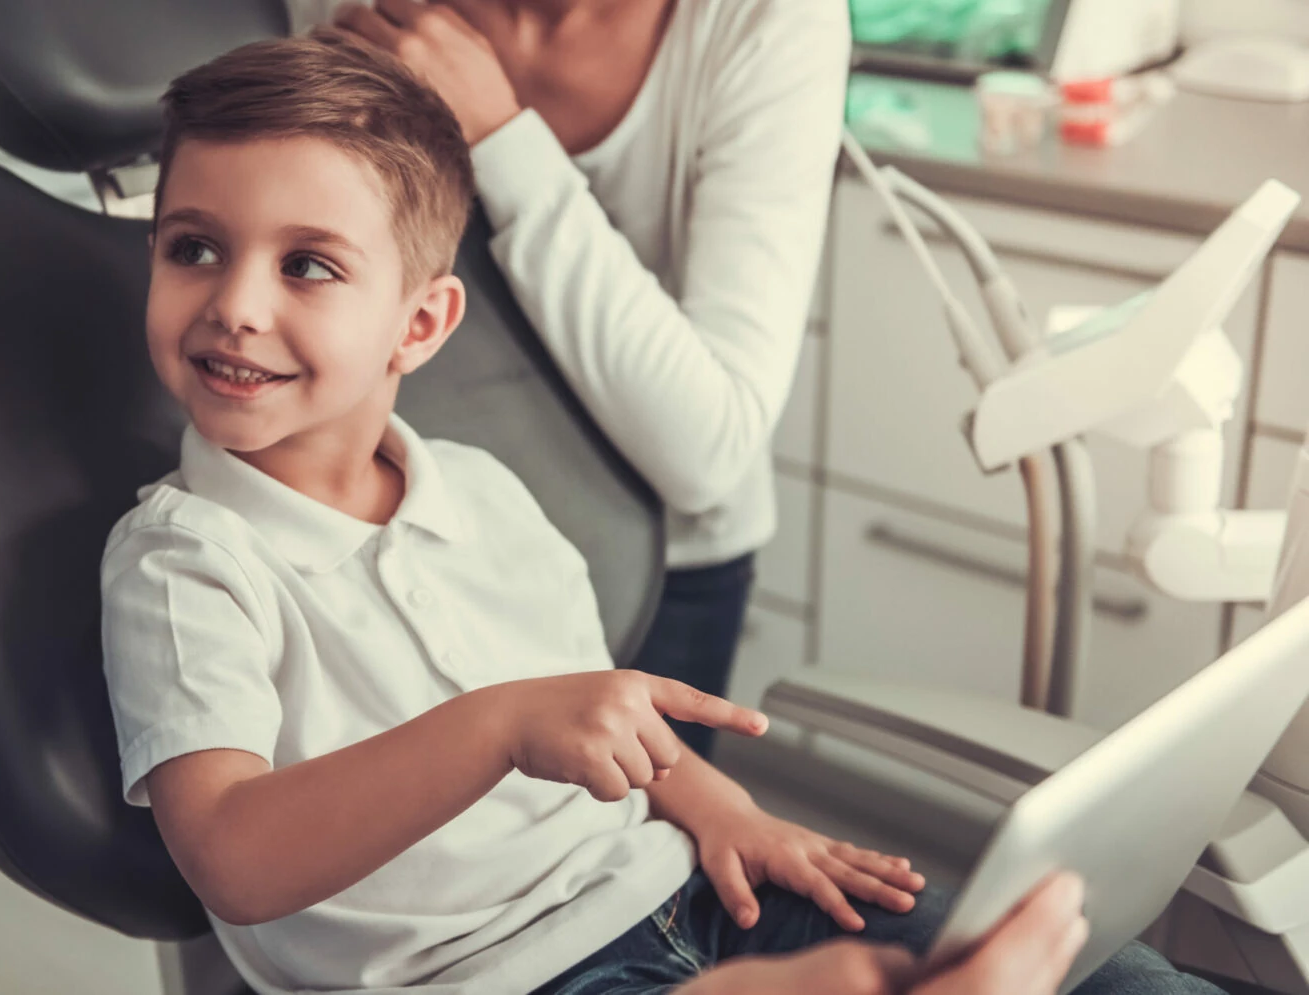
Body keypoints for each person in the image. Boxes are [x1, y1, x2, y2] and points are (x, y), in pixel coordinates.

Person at [99, 33, 1219, 995]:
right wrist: (494, 724)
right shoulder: (186, 560)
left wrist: (724, 806)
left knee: (1111, 971)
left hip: (664, 883)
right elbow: (234, 857)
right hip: (488, 972)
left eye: (305, 265)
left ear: (420, 322)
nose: (234, 305)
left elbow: (600, 718)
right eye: (192, 247)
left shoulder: (480, 489)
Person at [271, 0, 850, 756]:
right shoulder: (368, 14)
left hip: (661, 576)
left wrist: (502, 139)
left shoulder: (769, 21)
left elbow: (710, 450)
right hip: (391, 549)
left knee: (634, 866)